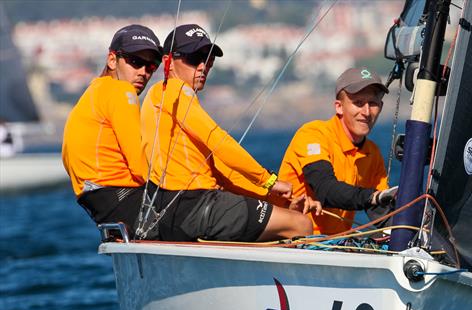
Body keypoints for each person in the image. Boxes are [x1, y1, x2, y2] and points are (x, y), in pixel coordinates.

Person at [139, 24, 315, 242]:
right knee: (301, 224)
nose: (203, 66)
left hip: (175, 214)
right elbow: (218, 141)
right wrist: (268, 181)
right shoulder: (175, 91)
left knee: (284, 220)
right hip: (196, 205)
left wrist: (276, 201)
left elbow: (223, 173)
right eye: (194, 58)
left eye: (209, 59)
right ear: (168, 62)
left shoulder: (158, 99)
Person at [62, 24, 162, 229]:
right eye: (135, 61)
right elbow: (141, 167)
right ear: (112, 60)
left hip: (100, 206)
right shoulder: (121, 91)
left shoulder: (93, 92)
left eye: (151, 66)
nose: (143, 72)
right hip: (124, 200)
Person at [278, 67, 397, 235]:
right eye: (358, 103)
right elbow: (325, 189)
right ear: (339, 107)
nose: (366, 112)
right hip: (296, 242)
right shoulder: (313, 134)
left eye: (373, 103)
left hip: (334, 246)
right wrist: (372, 197)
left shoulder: (372, 152)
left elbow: (383, 213)